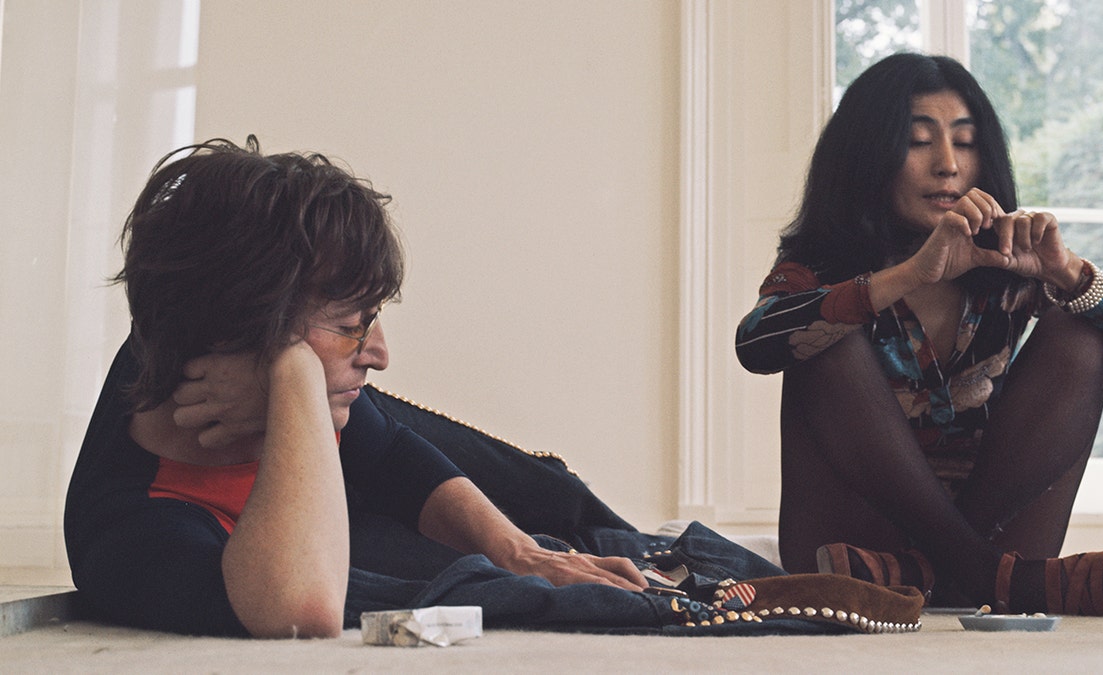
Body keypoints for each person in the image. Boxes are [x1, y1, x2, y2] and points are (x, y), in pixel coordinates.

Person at [66, 137, 892, 640]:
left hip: (367, 466)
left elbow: (395, 459)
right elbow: (298, 608)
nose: (380, 350)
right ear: (240, 332)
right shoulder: (130, 526)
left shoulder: (205, 351)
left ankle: (637, 544)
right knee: (465, 581)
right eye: (351, 324)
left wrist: (525, 549)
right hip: (309, 529)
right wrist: (289, 372)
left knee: (552, 503)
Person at [735, 53, 1103, 617]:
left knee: (1082, 331)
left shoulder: (1005, 265)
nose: (947, 165)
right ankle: (984, 575)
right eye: (919, 141)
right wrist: (911, 275)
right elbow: (755, 346)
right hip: (851, 543)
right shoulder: (818, 265)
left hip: (981, 538)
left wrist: (1069, 274)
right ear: (869, 156)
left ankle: (952, 570)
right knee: (825, 332)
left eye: (965, 143)